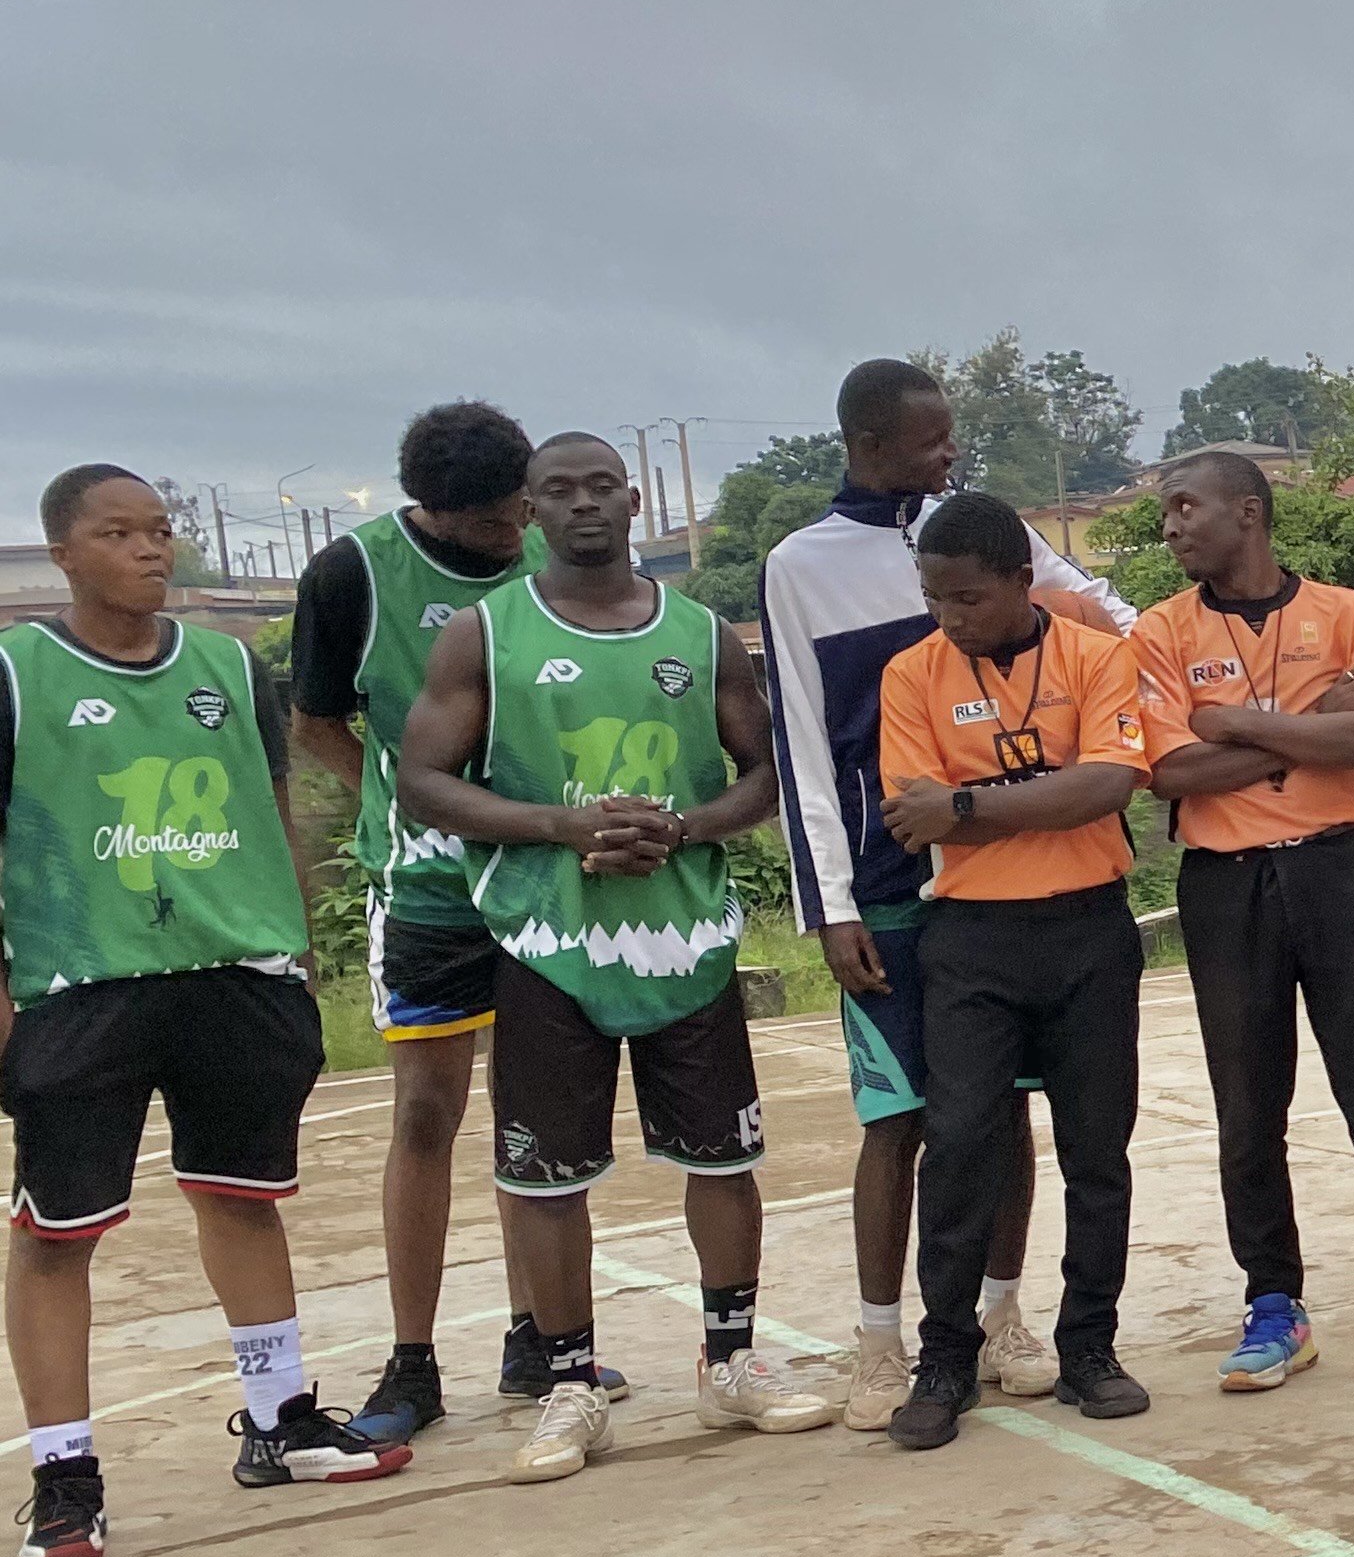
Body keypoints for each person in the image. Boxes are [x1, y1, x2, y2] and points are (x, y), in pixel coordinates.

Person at [393, 432, 836, 1483]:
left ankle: (730, 1363)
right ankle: (570, 1384)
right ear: (530, 510)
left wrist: (682, 828)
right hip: (548, 940)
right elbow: (422, 780)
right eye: (560, 490)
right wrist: (558, 826)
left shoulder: (698, 633)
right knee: (547, 1175)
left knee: (723, 1157)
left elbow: (762, 771)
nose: (584, 505)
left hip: (683, 933)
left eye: (601, 487)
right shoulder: (482, 634)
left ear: (633, 501)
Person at [10, 467, 396, 1557]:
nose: (149, 548)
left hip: (231, 970)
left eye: (160, 528)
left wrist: (289, 950)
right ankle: (64, 1475)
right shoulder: (17, 674)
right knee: (56, 1233)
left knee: (242, 1198)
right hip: (80, 981)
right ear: (65, 554)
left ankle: (280, 1420)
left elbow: (269, 803)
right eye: (118, 532)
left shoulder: (230, 664)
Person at [764, 357, 1130, 1429]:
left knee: (1005, 1114)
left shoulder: (996, 534)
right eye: (930, 440)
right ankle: (887, 1343)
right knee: (911, 1122)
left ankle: (1007, 1316)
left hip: (1023, 889)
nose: (947, 454)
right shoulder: (802, 567)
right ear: (869, 443)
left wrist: (1064, 612)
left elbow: (1117, 627)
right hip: (890, 889)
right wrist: (828, 902)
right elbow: (799, 745)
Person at [290, 403, 602, 1442]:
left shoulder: (544, 571)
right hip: (425, 894)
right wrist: (399, 803)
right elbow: (315, 720)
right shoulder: (354, 575)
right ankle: (412, 1361)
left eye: (521, 513)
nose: (513, 535)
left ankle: (543, 1342)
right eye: (490, 524)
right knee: (427, 1113)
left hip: (537, 884)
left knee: (537, 1115)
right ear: (436, 510)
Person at [1131, 448, 1354, 1390]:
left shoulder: (1347, 613)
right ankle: (1274, 1305)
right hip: (1222, 882)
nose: (1170, 527)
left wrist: (1233, 721)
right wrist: (1303, 717)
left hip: (1333, 873)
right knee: (1248, 1107)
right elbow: (1169, 771)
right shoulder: (1159, 631)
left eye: (1184, 507)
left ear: (1248, 511)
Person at [871, 493, 1154, 1449]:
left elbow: (1111, 784)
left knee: (1096, 1149)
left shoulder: (1098, 656)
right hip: (970, 940)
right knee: (958, 1147)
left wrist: (972, 803)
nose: (951, 616)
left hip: (1087, 929)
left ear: (1021, 584)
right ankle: (945, 1357)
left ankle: (1091, 1348)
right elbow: (913, 809)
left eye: (970, 598)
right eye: (935, 597)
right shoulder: (910, 674)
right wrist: (1031, 797)